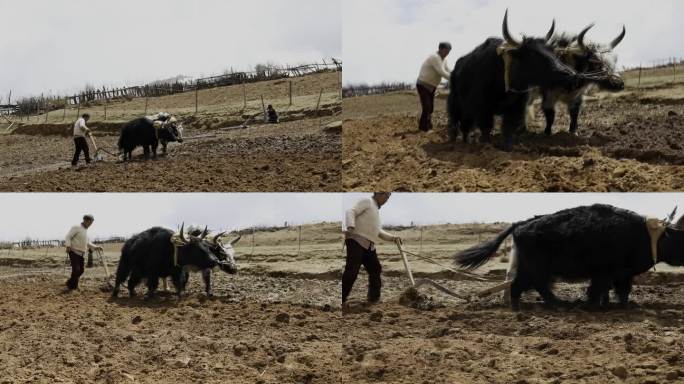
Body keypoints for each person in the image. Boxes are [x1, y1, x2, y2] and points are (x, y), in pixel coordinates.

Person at [342, 192, 401, 305]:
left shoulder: (376, 211)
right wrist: (350, 226)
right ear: (378, 193)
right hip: (356, 241)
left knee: (375, 269)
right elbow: (351, 211)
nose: (387, 199)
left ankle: (373, 298)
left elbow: (378, 231)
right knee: (352, 271)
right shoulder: (367, 201)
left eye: (388, 197)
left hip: (369, 246)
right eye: (386, 196)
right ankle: (342, 297)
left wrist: (393, 238)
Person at [416, 42, 452, 132]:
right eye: (446, 51)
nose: (448, 53)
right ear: (440, 49)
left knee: (430, 107)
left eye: (449, 52)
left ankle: (425, 126)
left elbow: (448, 70)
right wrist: (454, 79)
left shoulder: (444, 60)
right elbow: (441, 72)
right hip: (423, 84)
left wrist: (457, 74)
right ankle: (425, 128)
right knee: (427, 106)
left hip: (431, 86)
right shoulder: (435, 57)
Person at [64, 214, 102, 290]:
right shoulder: (76, 227)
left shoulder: (85, 231)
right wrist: (68, 246)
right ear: (85, 220)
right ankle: (73, 287)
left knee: (81, 270)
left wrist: (96, 247)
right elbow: (68, 236)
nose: (90, 225)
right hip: (73, 251)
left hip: (82, 253)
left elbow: (88, 243)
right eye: (89, 222)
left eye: (91, 223)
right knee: (76, 269)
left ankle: (69, 282)